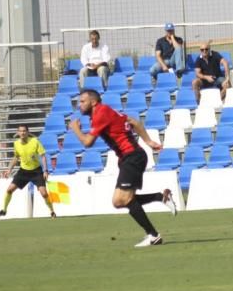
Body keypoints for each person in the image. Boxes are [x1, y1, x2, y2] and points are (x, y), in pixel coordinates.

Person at [68, 89, 176, 247]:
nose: (80, 105)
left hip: (132, 157)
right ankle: (160, 198)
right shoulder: (106, 111)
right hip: (130, 158)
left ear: (93, 102)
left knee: (122, 199)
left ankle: (153, 235)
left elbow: (87, 142)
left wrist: (76, 129)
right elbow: (133, 122)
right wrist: (148, 141)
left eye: (83, 101)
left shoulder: (100, 114)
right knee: (118, 201)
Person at [0, 124, 56, 219]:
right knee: (9, 190)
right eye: (20, 131)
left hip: (36, 171)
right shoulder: (16, 144)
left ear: (27, 132)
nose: (22, 133)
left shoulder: (35, 141)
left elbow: (43, 156)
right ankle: (4, 210)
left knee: (44, 193)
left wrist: (45, 170)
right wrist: (9, 169)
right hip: (23, 171)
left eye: (24, 131)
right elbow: (16, 157)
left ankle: (52, 211)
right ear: (18, 132)